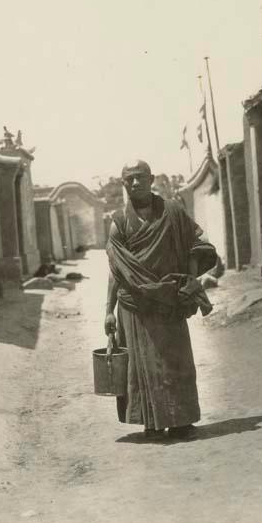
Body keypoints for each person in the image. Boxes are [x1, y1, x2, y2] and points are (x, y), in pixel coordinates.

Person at [104, 160, 217, 440]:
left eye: (140, 177)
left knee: (175, 360)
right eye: (129, 179)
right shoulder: (119, 223)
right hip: (135, 305)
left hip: (170, 299)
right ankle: (151, 422)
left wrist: (190, 280)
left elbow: (197, 245)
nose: (135, 183)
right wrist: (108, 310)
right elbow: (116, 271)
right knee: (143, 365)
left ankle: (181, 421)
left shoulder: (173, 212)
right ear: (123, 183)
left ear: (151, 178)